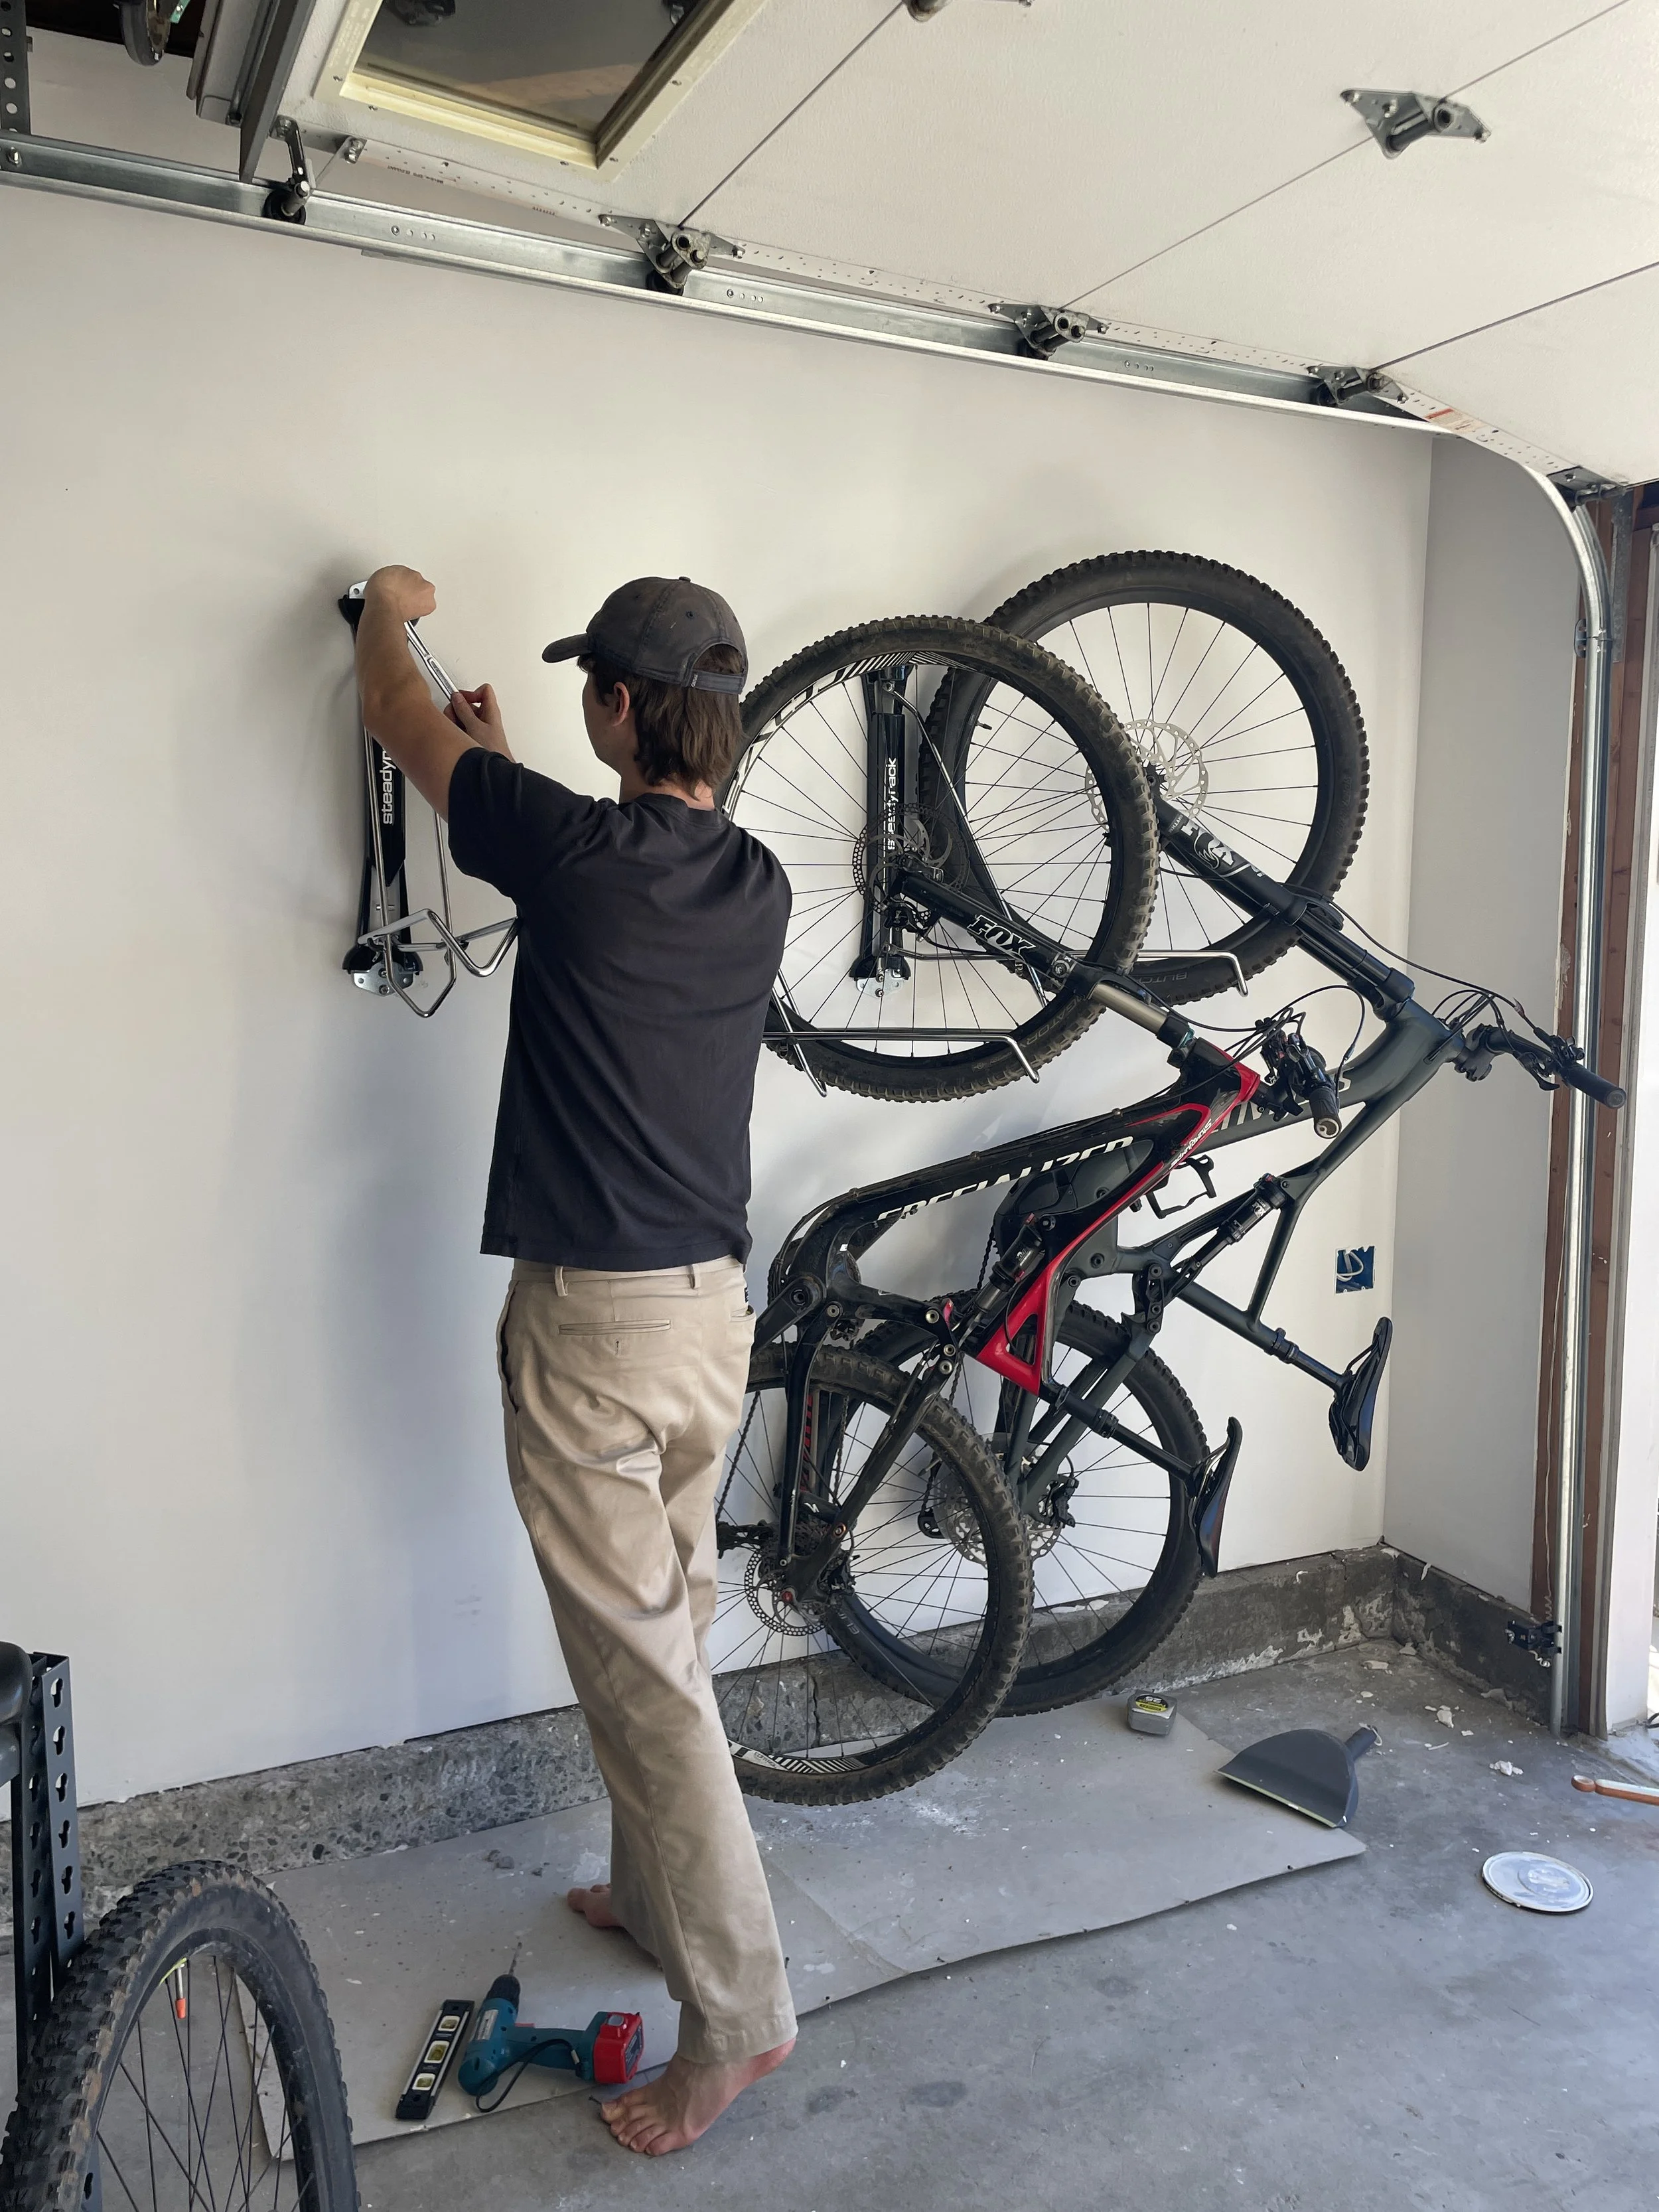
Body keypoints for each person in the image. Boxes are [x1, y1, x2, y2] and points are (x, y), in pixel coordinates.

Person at [352, 566, 796, 2156]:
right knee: (662, 1633)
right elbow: (586, 834)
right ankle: (650, 1902)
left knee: (648, 1684)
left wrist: (383, 613)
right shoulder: (755, 881)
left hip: (592, 1332)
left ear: (613, 704)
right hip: (705, 1323)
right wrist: (527, 758)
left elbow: (395, 715)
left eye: (590, 693)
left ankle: (736, 2020)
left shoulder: (571, 851)